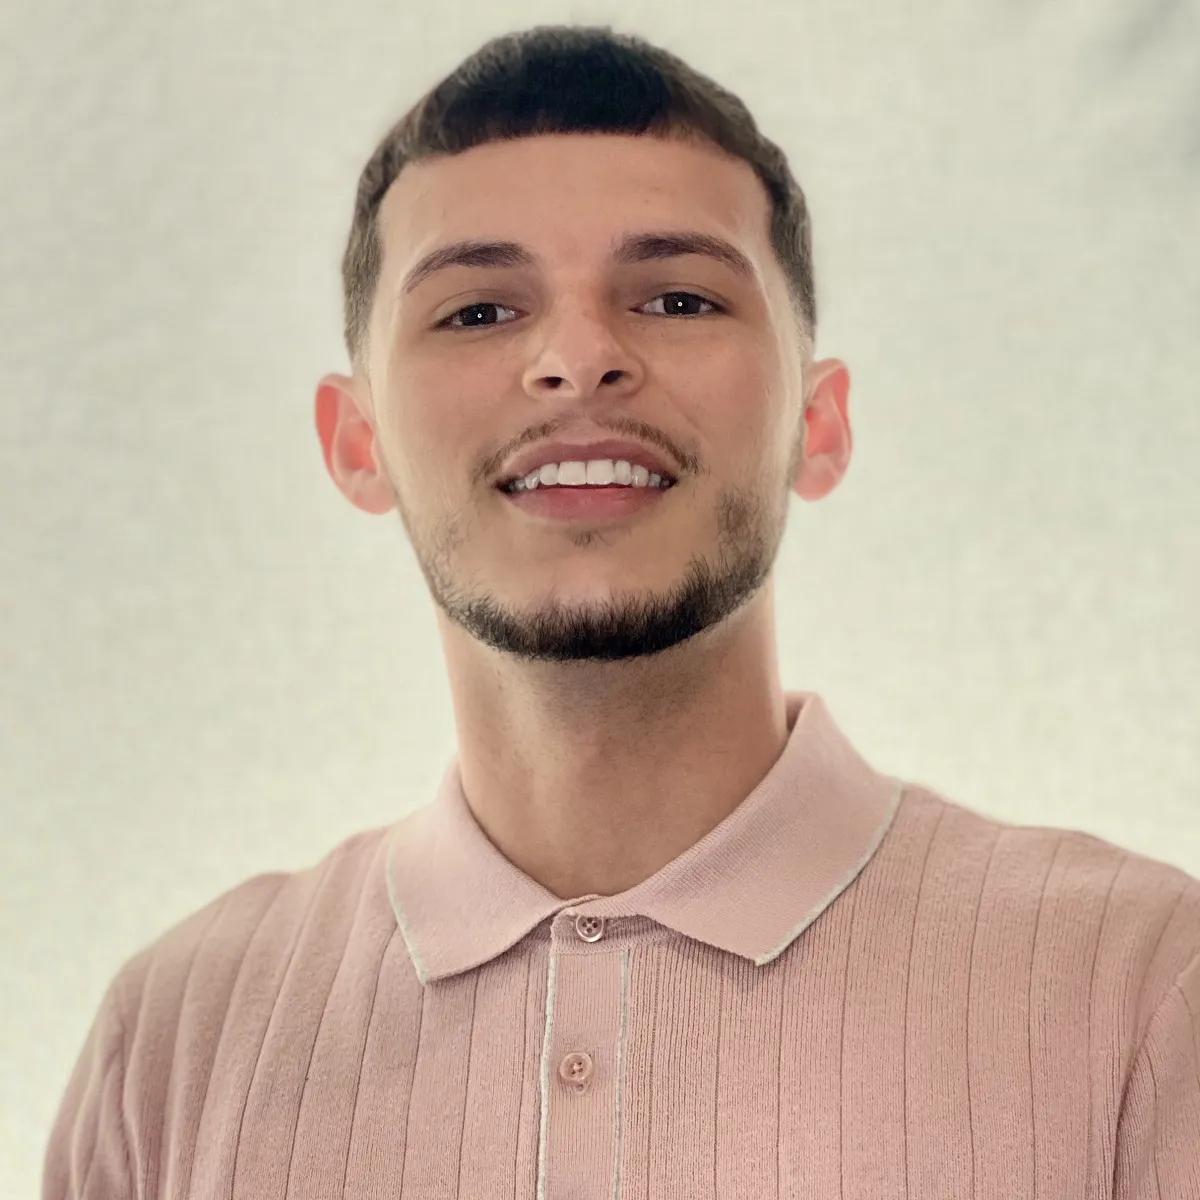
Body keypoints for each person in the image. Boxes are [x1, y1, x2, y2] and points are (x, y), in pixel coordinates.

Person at [43, 24, 1199, 1199]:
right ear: (357, 443)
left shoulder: (1149, 991)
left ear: (819, 424)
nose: (579, 357)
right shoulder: (174, 1047)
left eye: (679, 298)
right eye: (478, 312)